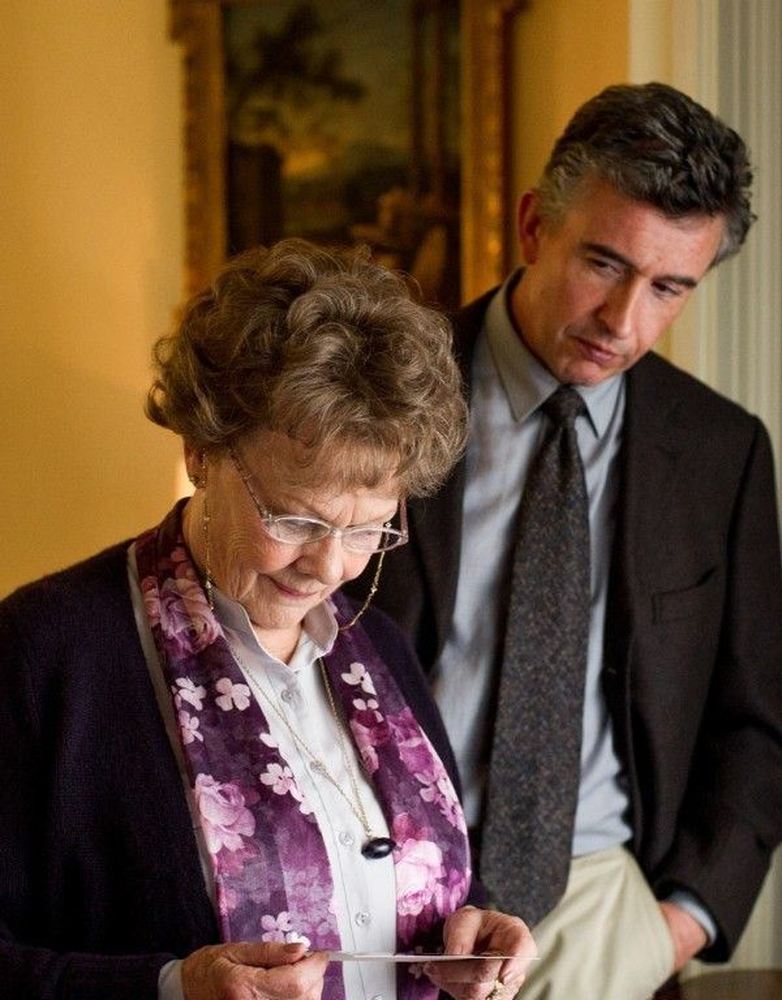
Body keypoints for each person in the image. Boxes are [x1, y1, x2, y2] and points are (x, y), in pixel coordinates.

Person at [0, 240, 536, 1000]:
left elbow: (394, 885)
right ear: (202, 451)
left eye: (368, 530)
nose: (328, 568)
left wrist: (468, 928)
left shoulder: (380, 647)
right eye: (294, 519)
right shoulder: (45, 652)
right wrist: (172, 987)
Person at [355, 82, 782, 1000]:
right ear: (533, 227)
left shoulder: (724, 452)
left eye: (669, 288)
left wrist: (680, 922)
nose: (623, 321)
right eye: (603, 263)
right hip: (377, 888)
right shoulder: (379, 395)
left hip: (600, 912)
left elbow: (755, 716)